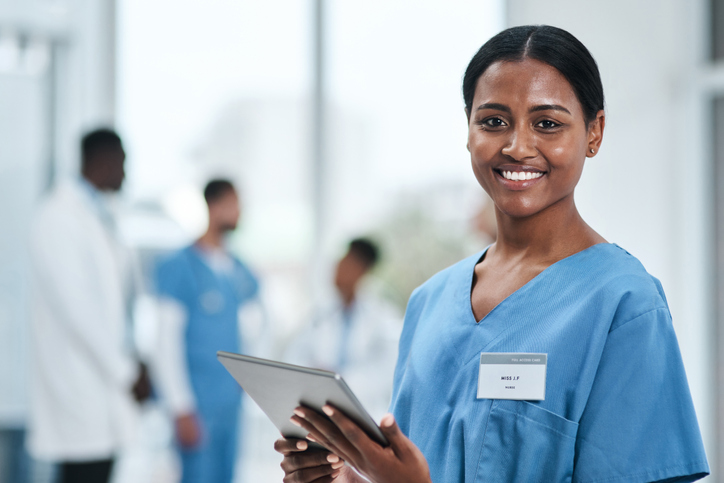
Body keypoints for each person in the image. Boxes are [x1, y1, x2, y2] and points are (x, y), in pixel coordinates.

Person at [274, 25, 710, 482]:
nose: (517, 146)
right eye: (494, 121)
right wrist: (341, 475)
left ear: (594, 132)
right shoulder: (431, 301)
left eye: (547, 123)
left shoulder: (624, 305)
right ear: (468, 130)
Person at [28, 128, 151, 483]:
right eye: (123, 163)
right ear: (103, 160)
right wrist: (125, 372)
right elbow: (78, 312)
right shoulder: (57, 217)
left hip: (104, 382)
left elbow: (117, 304)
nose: (126, 173)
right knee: (83, 472)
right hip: (80, 383)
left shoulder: (99, 214)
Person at [154, 179, 260, 483]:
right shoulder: (180, 267)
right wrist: (180, 407)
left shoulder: (237, 268)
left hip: (231, 402)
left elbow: (255, 324)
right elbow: (165, 343)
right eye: (234, 204)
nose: (240, 212)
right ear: (214, 206)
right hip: (196, 403)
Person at [286, 238, 402, 420]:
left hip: (363, 412)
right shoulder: (320, 313)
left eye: (348, 263)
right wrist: (316, 376)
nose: (338, 268)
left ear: (363, 270)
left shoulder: (381, 318)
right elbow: (295, 355)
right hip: (318, 407)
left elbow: (386, 373)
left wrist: (339, 380)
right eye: (340, 262)